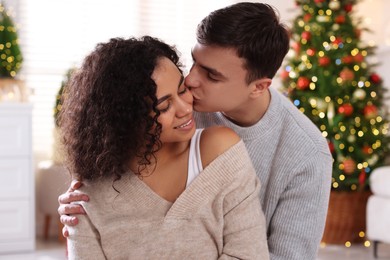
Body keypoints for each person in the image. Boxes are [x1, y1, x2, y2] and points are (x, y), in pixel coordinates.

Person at [58, 3, 333, 260]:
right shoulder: (179, 103)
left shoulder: (308, 153)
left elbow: (288, 256)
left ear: (259, 86)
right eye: (194, 62)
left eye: (212, 75)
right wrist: (84, 204)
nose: (190, 80)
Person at [59, 36, 269, 259]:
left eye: (181, 91)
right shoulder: (86, 198)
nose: (185, 109)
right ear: (128, 119)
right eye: (165, 106)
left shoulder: (218, 151)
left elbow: (249, 254)